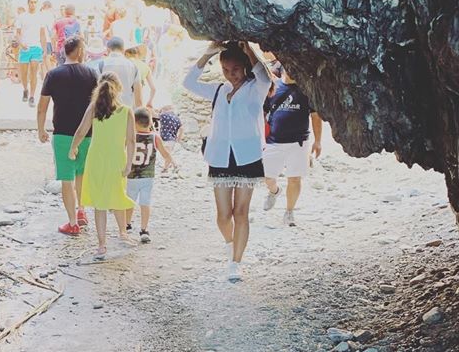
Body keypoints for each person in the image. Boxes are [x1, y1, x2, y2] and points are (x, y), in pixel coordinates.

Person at [184, 40, 274, 281]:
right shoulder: (218, 90)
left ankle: (236, 262)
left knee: (240, 213)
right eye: (225, 70)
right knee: (223, 216)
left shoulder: (257, 87)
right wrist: (207, 54)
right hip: (220, 157)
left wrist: (249, 49)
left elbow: (265, 77)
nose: (230, 74)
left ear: (244, 67)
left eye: (234, 69)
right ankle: (230, 243)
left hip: (247, 157)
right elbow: (188, 83)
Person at [69, 73, 136, 260]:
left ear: (99, 88)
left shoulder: (94, 108)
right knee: (118, 195)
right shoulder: (126, 111)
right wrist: (129, 163)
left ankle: (101, 245)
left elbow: (81, 131)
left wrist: (73, 148)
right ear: (119, 89)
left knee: (100, 203)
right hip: (116, 159)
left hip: (96, 159)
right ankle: (123, 233)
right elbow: (131, 141)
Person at [37, 35, 98, 235]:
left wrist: (41, 129)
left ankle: (72, 222)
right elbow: (97, 105)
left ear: (65, 52)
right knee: (81, 174)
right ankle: (82, 211)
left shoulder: (53, 75)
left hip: (62, 133)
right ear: (80, 51)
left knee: (66, 179)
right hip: (87, 132)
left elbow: (42, 106)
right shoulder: (91, 74)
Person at [262, 70, 323, 226]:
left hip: (299, 143)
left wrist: (318, 141)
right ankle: (274, 191)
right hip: (274, 142)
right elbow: (263, 113)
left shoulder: (307, 89)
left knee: (294, 179)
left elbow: (315, 116)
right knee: (267, 178)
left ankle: (289, 212)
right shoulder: (274, 87)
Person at [124, 107, 174, 243]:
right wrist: (167, 165)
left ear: (134, 123)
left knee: (129, 201)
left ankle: (127, 224)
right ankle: (144, 229)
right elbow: (165, 155)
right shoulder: (155, 137)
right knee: (145, 202)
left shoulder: (130, 136)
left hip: (132, 176)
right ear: (150, 122)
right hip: (148, 176)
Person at [92, 37, 142, 108]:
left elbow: (95, 92)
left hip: (105, 111)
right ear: (123, 50)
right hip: (127, 112)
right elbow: (139, 100)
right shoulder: (133, 67)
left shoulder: (101, 65)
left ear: (108, 49)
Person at [15, 0, 47, 106]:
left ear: (37, 4)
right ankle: (25, 89)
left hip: (36, 47)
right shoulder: (22, 16)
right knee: (24, 74)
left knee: (34, 71)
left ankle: (32, 96)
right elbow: (17, 34)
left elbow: (43, 34)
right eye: (31, 2)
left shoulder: (41, 17)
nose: (33, 4)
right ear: (28, 3)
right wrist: (21, 43)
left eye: (35, 2)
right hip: (25, 47)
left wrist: (44, 49)